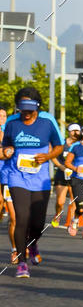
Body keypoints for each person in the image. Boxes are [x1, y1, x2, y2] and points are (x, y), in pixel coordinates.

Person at [0, 87, 63, 278]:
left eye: (29, 110)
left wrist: (48, 156)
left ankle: (32, 243)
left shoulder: (47, 121)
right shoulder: (11, 122)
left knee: (37, 222)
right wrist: (7, 151)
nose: (26, 114)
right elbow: (5, 147)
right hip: (16, 175)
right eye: (22, 110)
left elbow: (59, 146)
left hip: (40, 178)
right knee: (21, 217)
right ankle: (21, 262)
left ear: (37, 107)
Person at [51, 123, 81, 227]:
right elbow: (53, 156)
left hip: (75, 175)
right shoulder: (62, 144)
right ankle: (58, 214)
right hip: (61, 174)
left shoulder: (80, 145)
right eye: (73, 130)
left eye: (77, 131)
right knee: (60, 201)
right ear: (69, 132)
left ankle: (72, 222)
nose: (75, 133)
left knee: (74, 200)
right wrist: (61, 167)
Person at [0, 106, 17, 262]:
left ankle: (15, 249)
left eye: (4, 116)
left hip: (9, 178)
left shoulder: (12, 134)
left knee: (15, 218)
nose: (1, 118)